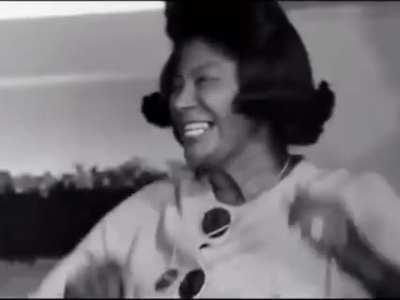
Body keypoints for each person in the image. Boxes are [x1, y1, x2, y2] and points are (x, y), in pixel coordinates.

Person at [31, 1, 400, 298]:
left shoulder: (355, 199)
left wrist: (362, 261)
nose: (180, 101)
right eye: (176, 85)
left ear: (263, 86)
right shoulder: (144, 213)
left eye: (203, 80)